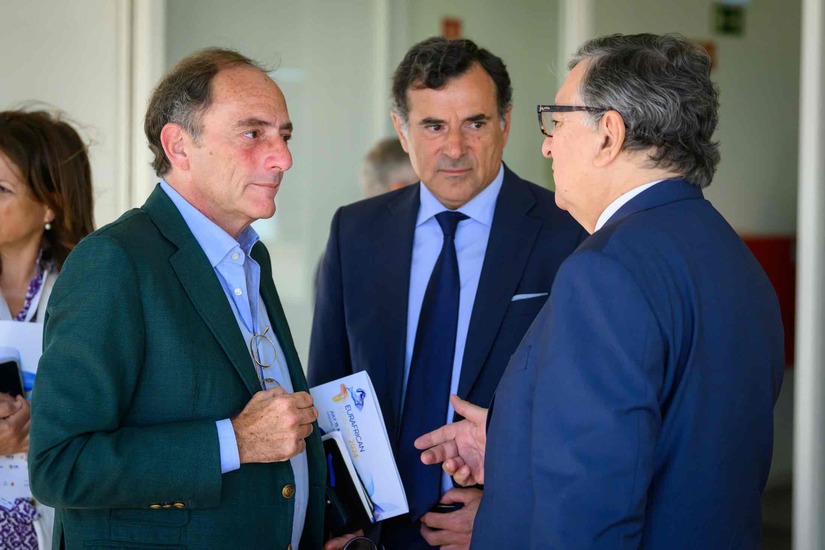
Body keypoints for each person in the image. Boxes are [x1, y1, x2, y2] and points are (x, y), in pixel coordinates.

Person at [416, 33, 785, 549]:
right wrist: (510, 441)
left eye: (558, 121)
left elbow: (588, 512)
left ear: (609, 134)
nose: (546, 144)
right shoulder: (734, 258)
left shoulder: (604, 271)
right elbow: (676, 441)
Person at [29, 48, 325, 549]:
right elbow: (60, 465)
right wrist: (236, 440)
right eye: (253, 134)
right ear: (179, 146)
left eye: (284, 136)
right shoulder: (114, 261)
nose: (283, 158)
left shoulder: (251, 255)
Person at [308, 37, 586, 550]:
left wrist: (507, 515)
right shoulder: (355, 232)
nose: (454, 148)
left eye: (475, 123)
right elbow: (328, 387)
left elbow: (584, 414)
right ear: (402, 130)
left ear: (505, 123)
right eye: (433, 126)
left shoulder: (567, 233)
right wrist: (339, 526)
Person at [0, 108, 95, 549]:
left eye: (1, 189)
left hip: (62, 521)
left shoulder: (94, 291)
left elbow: (130, 421)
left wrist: (38, 431)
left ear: (50, 204)